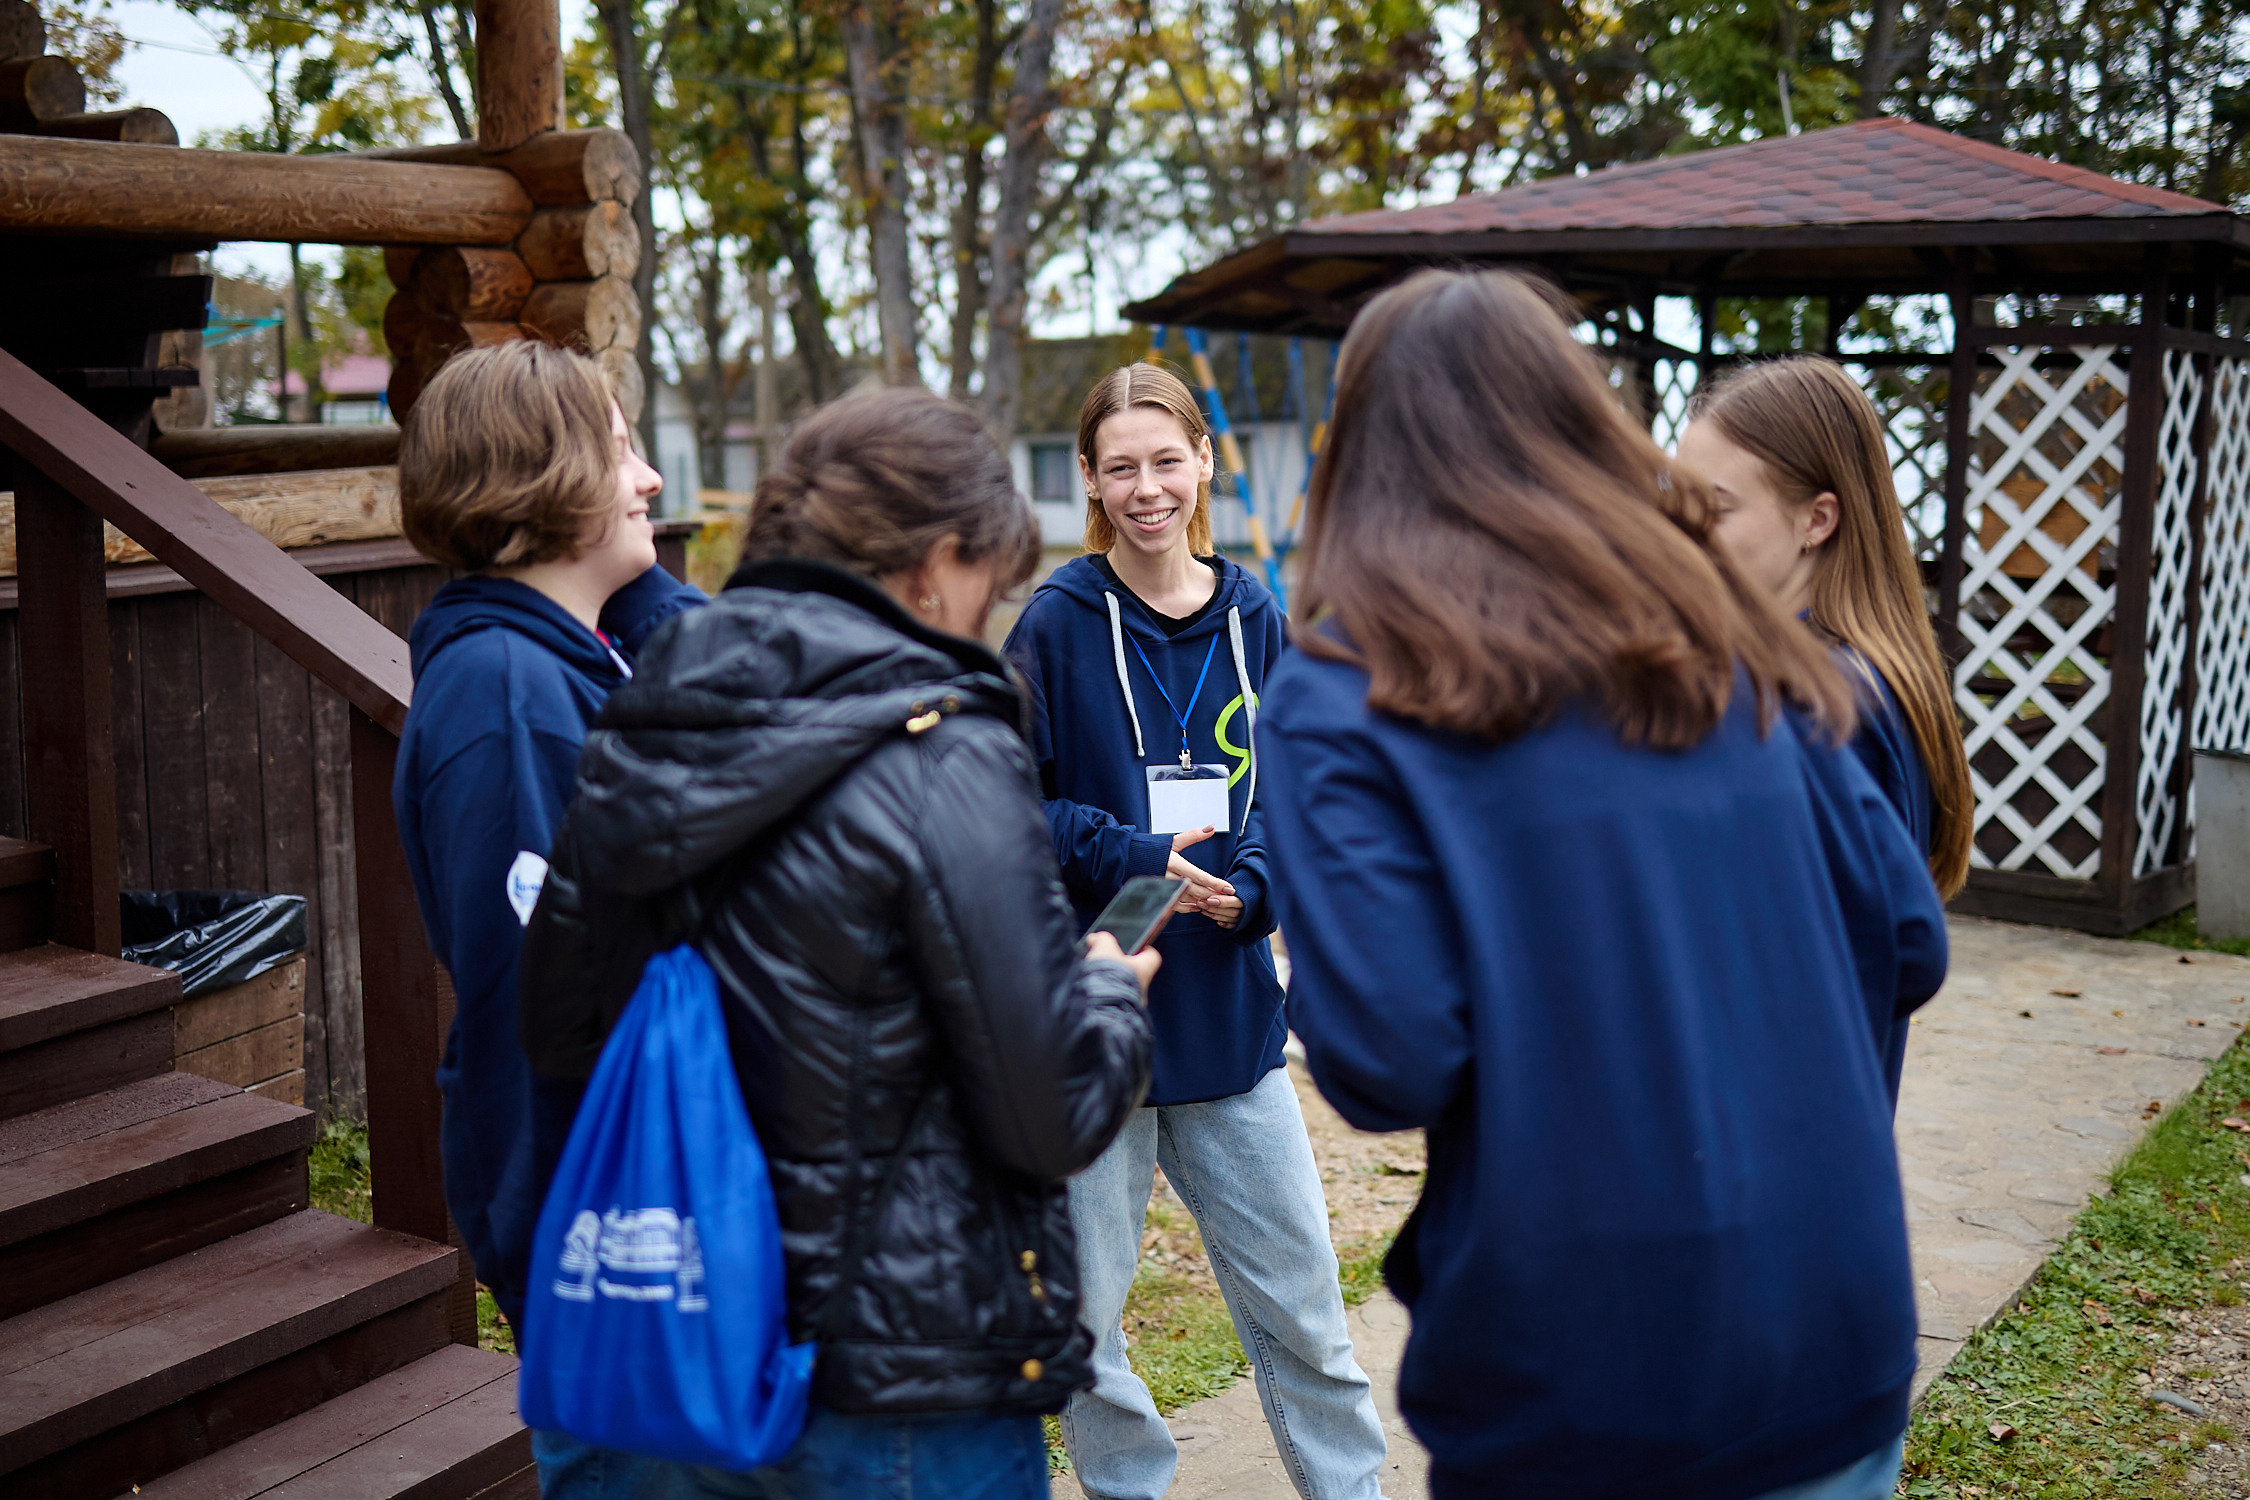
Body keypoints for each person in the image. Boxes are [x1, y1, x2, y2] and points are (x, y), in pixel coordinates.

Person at [1256, 269, 1948, 1500]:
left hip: (1589, 1368)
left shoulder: (1348, 686)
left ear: (1363, 448)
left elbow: (1389, 1058)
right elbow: (1906, 938)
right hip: (1835, 1323)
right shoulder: (1731, 631)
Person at [519, 385, 1157, 1500]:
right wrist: (1106, 996)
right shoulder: (945, 744)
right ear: (935, 561)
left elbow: (558, 1027)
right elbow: (1046, 1108)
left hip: (667, 1347)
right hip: (897, 1386)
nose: (981, 616)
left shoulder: (643, 712)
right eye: (985, 585)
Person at [1003, 364, 1387, 1500]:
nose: (1145, 487)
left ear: (1205, 460)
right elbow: (1007, 798)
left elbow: (1295, 787)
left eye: (1165, 460)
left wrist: (1257, 881)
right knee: (1084, 1325)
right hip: (1100, 1024)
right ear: (1086, 477)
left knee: (1307, 1312)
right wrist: (1129, 853)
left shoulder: (1260, 612)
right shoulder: (1057, 625)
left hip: (1229, 1020)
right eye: (1119, 467)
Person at [390, 340, 705, 1498]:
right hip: (616, 1248)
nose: (651, 481)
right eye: (622, 448)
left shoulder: (582, 660)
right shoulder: (511, 703)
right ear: (547, 475)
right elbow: (552, 1011)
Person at [1678, 357, 1973, 1102]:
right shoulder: (1860, 675)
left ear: (1817, 518)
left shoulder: (1816, 705)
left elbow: (1787, 972)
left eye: (1714, 509)